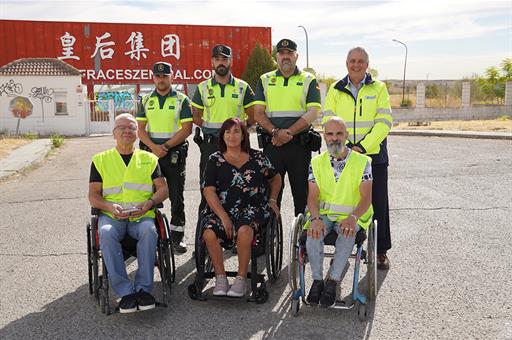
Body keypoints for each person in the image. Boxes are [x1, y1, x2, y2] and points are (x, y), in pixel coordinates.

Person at [88, 113, 169, 313]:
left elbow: (163, 190)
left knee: (150, 232)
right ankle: (125, 292)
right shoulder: (100, 160)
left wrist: (150, 202)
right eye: (122, 127)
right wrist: (108, 207)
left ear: (137, 133)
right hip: (112, 216)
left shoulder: (149, 158)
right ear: (114, 133)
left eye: (132, 128)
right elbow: (93, 196)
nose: (127, 130)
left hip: (141, 216)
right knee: (105, 232)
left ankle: (143, 289)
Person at [322, 46, 393, 270]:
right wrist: (343, 148)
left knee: (378, 202)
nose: (356, 64)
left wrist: (362, 147)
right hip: (341, 155)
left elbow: (384, 123)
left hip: (372, 155)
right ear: (346, 63)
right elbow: (328, 120)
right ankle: (343, 247)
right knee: (344, 201)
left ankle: (381, 250)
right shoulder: (335, 88)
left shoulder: (379, 88)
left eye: (361, 61)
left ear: (367, 64)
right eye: (352, 60)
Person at [201, 118, 281, 297]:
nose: (231, 135)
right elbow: (209, 191)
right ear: (222, 135)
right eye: (227, 132)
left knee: (245, 230)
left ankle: (241, 279)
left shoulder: (258, 158)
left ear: (244, 135)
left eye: (236, 131)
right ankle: (220, 278)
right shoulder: (215, 160)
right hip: (223, 211)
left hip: (253, 209)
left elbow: (275, 177)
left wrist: (273, 200)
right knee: (209, 233)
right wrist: (223, 217)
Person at [305, 117, 373, 307]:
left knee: (347, 233)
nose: (334, 138)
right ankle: (317, 281)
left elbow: (366, 197)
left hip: (352, 215)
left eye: (339, 134)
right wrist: (316, 218)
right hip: (324, 214)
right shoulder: (316, 162)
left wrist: (353, 218)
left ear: (346, 135)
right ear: (324, 136)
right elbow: (312, 197)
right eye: (330, 134)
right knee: (313, 232)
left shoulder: (363, 162)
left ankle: (332, 282)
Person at [254, 38, 322, 217]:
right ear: (276, 56)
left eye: (289, 53)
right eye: (282, 53)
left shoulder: (308, 79)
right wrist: (276, 132)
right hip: (273, 145)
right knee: (271, 196)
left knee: (302, 196)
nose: (286, 57)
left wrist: (288, 132)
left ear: (296, 56)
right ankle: (269, 240)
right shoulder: (265, 79)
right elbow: (258, 113)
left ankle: (303, 242)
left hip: (299, 147)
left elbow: (313, 112)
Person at [191, 44, 255, 211]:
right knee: (208, 188)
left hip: (237, 145)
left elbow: (253, 116)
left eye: (224, 59)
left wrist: (238, 131)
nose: (221, 62)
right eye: (217, 59)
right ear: (212, 62)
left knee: (239, 186)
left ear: (230, 61)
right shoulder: (203, 87)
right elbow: (195, 115)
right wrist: (210, 128)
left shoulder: (242, 87)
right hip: (211, 144)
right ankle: (206, 227)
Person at [136, 61, 192, 253]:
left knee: (176, 196)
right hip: (150, 154)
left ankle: (177, 237)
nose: (161, 79)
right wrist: (153, 148)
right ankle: (149, 235)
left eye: (165, 76)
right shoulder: (145, 100)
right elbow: (140, 129)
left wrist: (166, 146)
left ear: (171, 76)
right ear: (153, 77)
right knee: (150, 196)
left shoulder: (181, 99)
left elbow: (187, 129)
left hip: (174, 152)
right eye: (158, 76)